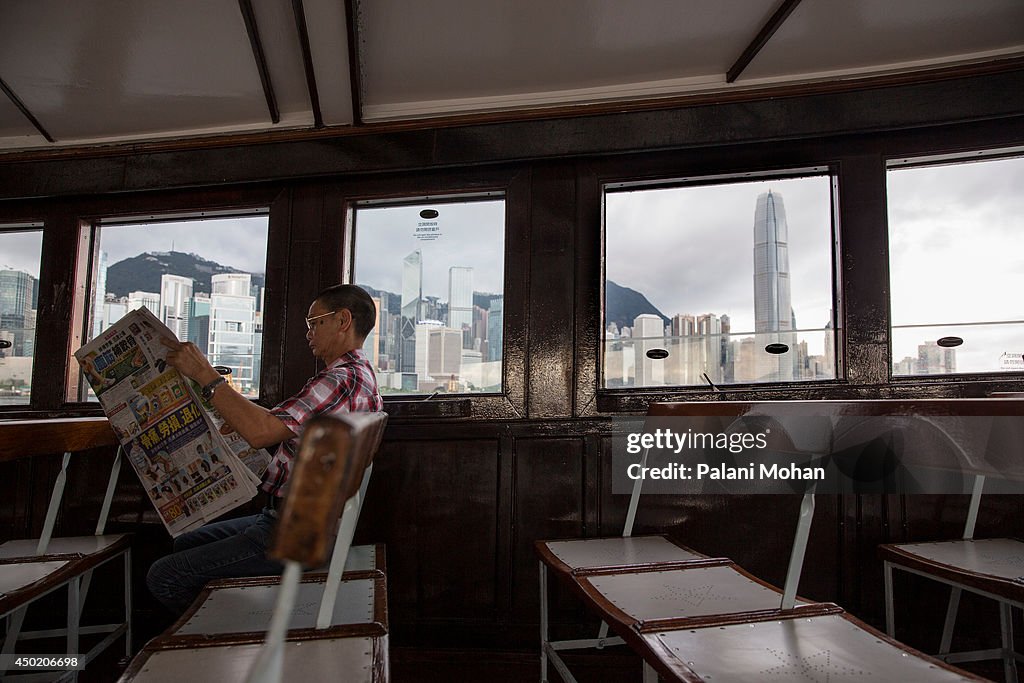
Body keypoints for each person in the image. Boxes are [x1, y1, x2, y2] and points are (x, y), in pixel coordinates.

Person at [145, 284, 383, 614]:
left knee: (164, 576)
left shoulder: (340, 380)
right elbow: (278, 421)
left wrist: (204, 373)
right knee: (186, 541)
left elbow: (261, 433)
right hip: (306, 520)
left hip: (295, 529)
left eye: (316, 323)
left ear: (343, 320)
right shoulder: (359, 375)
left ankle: (220, 640)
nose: (309, 333)